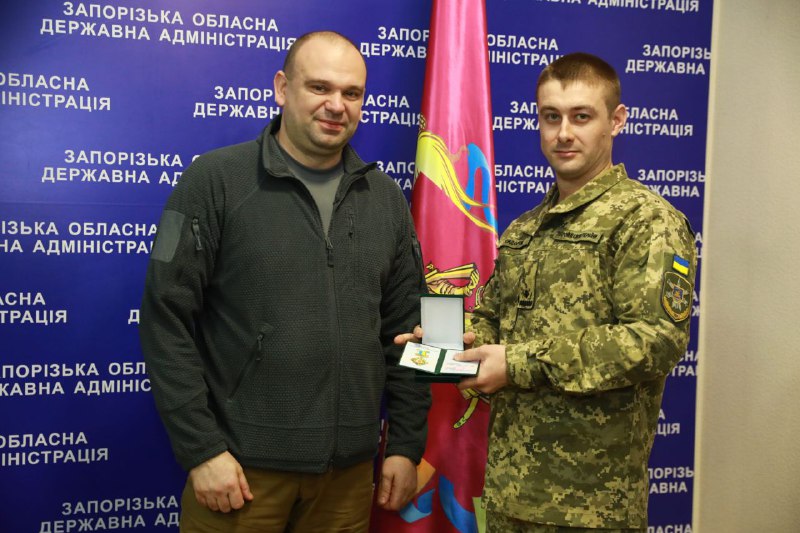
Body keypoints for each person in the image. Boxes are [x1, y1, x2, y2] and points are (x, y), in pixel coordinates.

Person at [139, 30, 430, 532]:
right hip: (240, 476)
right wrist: (201, 449)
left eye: (352, 93)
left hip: (347, 482)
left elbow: (412, 328)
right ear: (281, 87)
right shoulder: (215, 180)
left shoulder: (384, 198)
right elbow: (165, 320)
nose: (336, 105)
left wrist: (405, 445)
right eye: (319, 87)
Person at [398, 52, 696, 532]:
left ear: (616, 120)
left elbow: (653, 340)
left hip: (590, 509)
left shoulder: (645, 220)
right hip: (510, 495)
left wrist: (516, 363)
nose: (564, 133)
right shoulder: (526, 228)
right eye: (551, 117)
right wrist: (444, 343)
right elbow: (492, 319)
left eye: (582, 117)